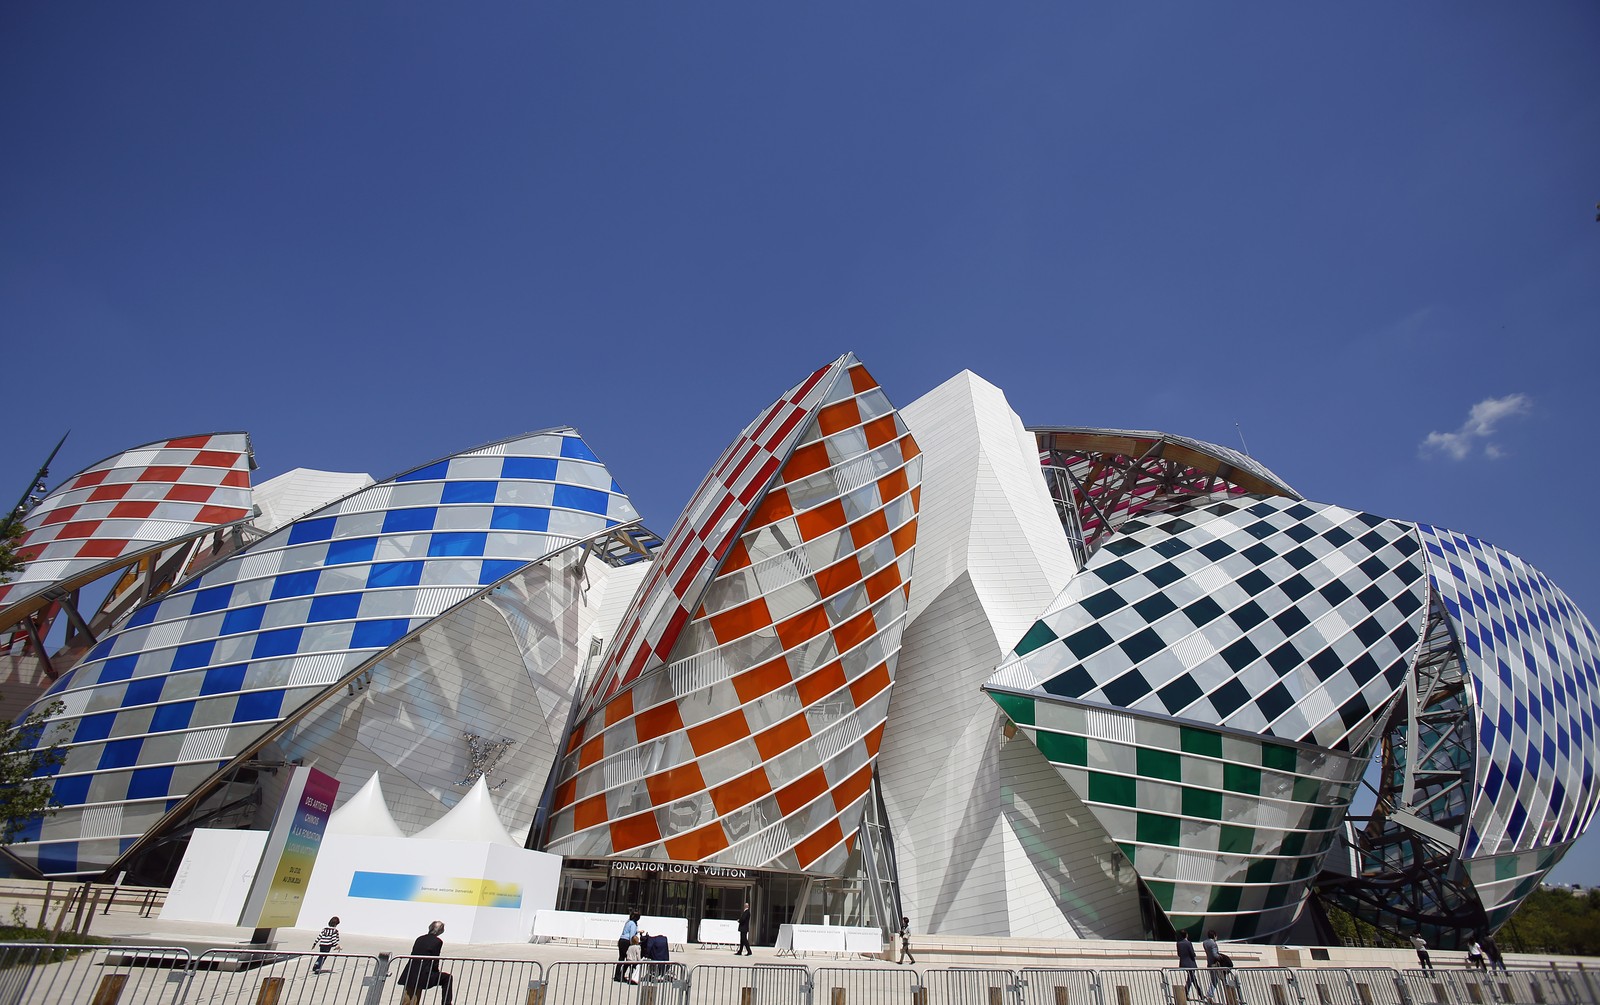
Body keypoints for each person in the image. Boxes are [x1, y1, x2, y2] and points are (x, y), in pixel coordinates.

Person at [398, 921, 453, 1005]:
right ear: (440, 931)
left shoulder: (419, 938)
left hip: (411, 972)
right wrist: (435, 972)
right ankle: (446, 1003)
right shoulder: (437, 941)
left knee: (409, 995)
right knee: (447, 978)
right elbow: (435, 959)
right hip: (424, 973)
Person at [1177, 932, 1207, 1003]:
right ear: (1186, 935)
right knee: (1191, 979)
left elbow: (1179, 954)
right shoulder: (1188, 943)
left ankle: (1200, 994)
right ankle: (1185, 993)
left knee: (1193, 979)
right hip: (1190, 963)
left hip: (1183, 963)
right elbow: (1192, 953)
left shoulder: (1178, 943)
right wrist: (1194, 955)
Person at [615, 912, 640, 983]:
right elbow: (631, 935)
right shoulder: (633, 924)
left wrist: (637, 931)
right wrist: (633, 944)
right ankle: (623, 975)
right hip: (627, 941)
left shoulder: (628, 922)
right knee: (629, 959)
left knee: (621, 958)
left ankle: (617, 975)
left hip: (621, 940)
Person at [1202, 929, 1224, 1000]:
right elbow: (1215, 955)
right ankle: (1210, 994)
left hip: (1209, 963)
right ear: (1214, 936)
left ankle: (1209, 994)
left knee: (1214, 980)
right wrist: (1221, 957)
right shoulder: (1213, 944)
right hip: (1215, 964)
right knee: (1219, 979)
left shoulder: (1205, 943)